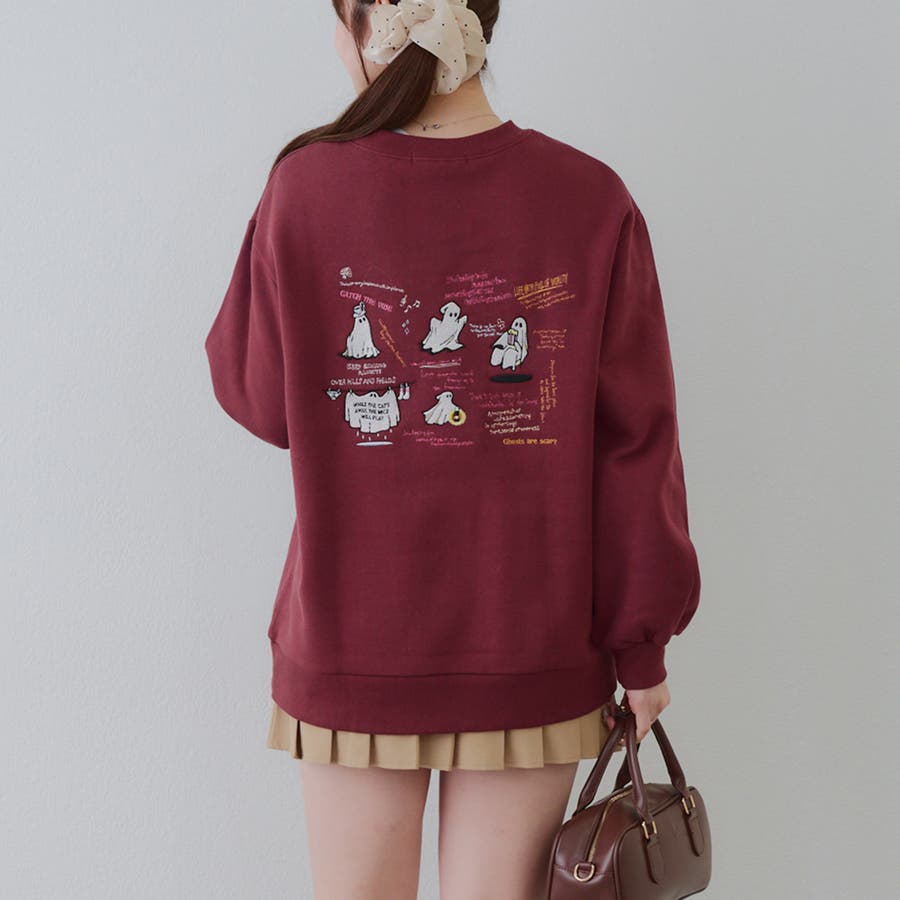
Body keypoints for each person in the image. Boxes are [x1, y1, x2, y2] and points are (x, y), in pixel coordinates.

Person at [203, 1, 702, 897]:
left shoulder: (305, 186)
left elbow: (262, 400)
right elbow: (636, 447)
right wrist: (642, 647)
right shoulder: (591, 198)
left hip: (352, 643)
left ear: (369, 22)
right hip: (532, 648)